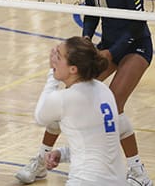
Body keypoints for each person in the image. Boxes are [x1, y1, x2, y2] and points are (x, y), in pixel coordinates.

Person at [16, 0, 153, 186]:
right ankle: (42, 161)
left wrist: (111, 54)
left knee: (113, 106)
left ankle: (137, 171)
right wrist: (86, 40)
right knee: (65, 99)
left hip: (135, 45)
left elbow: (137, 24)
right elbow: (90, 10)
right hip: (108, 45)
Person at [35, 36, 127, 185]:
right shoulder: (103, 90)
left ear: (73, 69)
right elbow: (100, 145)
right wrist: (62, 154)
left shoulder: (65, 98)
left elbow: (39, 117)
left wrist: (52, 75)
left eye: (57, 56)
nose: (53, 58)